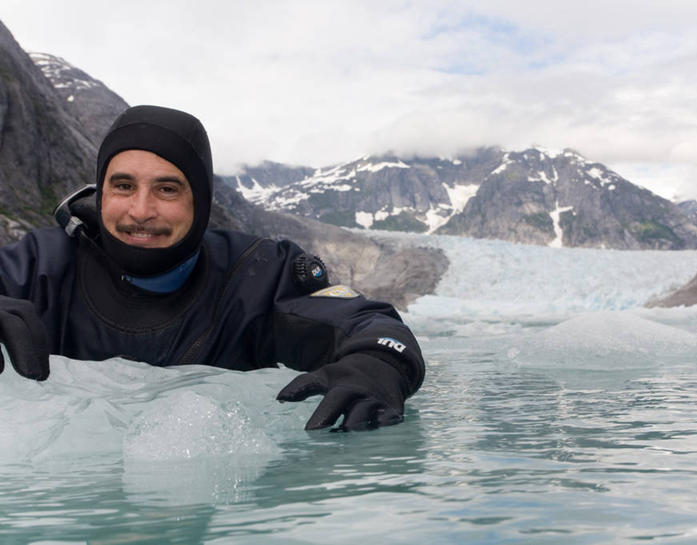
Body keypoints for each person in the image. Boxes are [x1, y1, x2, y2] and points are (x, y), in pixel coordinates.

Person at [0, 105, 424, 431]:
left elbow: (367, 324)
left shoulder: (257, 276)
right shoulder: (41, 266)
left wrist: (378, 364)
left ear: (199, 200)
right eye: (123, 186)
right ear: (101, 191)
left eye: (167, 189)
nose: (140, 210)